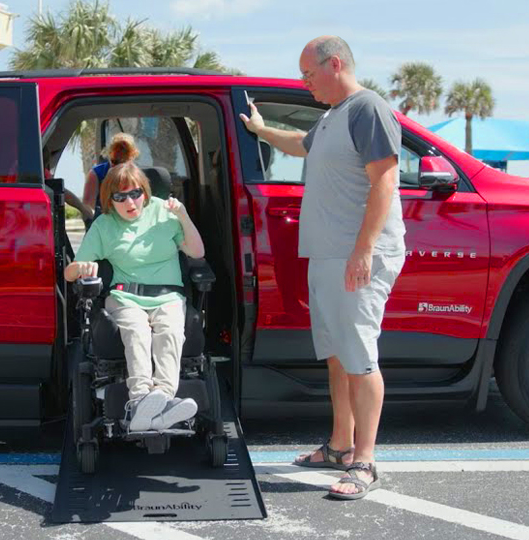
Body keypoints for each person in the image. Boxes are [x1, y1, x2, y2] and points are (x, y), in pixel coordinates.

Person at [239, 36, 405, 500]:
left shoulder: (367, 108)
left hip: (356, 256)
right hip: (328, 254)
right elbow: (302, 144)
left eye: (308, 74)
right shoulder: (333, 116)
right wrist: (261, 129)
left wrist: (364, 249)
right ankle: (339, 446)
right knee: (336, 355)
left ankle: (365, 463)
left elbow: (385, 179)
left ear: (335, 64)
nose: (304, 82)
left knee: (358, 355)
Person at [64, 162, 207, 432]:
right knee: (138, 333)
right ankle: (140, 400)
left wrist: (184, 216)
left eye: (136, 193)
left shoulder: (165, 214)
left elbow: (197, 252)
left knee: (170, 331)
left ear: (146, 192)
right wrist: (81, 268)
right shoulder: (104, 225)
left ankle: (162, 399)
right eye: (120, 196)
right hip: (125, 297)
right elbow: (70, 273)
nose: (130, 201)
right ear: (110, 199)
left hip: (168, 297)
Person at [81, 132, 140, 224]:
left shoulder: (137, 174)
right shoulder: (97, 173)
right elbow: (88, 209)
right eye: (115, 162)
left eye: (123, 162)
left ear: (132, 157)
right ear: (109, 154)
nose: (118, 169)